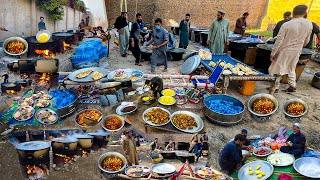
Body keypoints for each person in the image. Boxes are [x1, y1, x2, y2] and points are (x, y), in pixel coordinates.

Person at [268, 5, 313, 94]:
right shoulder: (309, 24)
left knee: (277, 69)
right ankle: (292, 86)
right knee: (291, 68)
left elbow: (279, 41)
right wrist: (300, 46)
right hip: (297, 51)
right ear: (304, 13)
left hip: (284, 50)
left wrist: (273, 53)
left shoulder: (287, 24)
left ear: (293, 13)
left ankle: (275, 88)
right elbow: (307, 40)